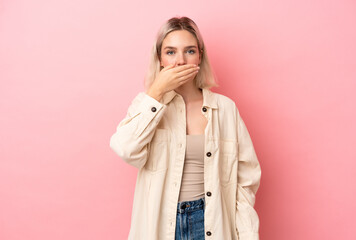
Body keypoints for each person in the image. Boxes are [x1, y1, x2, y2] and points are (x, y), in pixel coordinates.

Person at [110, 16, 261, 240]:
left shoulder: (225, 109)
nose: (180, 61)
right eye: (170, 52)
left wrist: (247, 235)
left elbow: (245, 182)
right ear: (160, 59)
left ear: (199, 56)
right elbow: (125, 149)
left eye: (189, 51)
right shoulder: (146, 106)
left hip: (211, 223)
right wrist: (156, 92)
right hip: (162, 225)